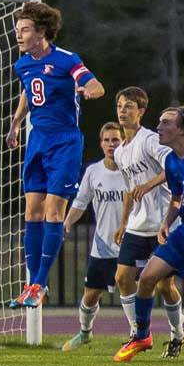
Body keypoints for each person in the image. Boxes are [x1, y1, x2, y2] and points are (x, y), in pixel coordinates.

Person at [5, 2, 104, 309]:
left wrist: (90, 90)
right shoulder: (23, 64)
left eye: (24, 30)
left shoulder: (66, 60)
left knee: (52, 211)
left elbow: (93, 84)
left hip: (64, 142)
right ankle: (31, 284)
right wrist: (15, 124)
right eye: (18, 30)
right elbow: (27, 91)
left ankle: (40, 284)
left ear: (42, 32)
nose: (18, 35)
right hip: (37, 140)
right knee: (31, 211)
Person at [114, 105, 184, 363]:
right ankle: (142, 335)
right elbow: (177, 197)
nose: (159, 127)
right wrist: (167, 221)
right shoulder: (171, 160)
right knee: (146, 278)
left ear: (183, 129)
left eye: (165, 123)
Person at [112, 87, 184, 357]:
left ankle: (178, 334)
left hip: (161, 223)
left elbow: (173, 166)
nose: (123, 111)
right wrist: (122, 223)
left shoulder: (149, 140)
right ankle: (138, 332)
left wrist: (150, 183)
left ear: (141, 111)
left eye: (129, 106)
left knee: (164, 285)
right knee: (122, 277)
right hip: (136, 224)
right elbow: (130, 189)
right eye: (120, 106)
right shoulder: (120, 151)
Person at [61, 122, 125, 351]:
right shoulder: (93, 171)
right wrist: (67, 222)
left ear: (123, 141)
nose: (111, 144)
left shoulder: (132, 170)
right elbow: (81, 202)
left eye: (115, 140)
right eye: (107, 140)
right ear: (100, 143)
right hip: (103, 246)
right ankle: (85, 333)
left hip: (131, 245)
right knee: (90, 296)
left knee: (138, 291)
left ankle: (138, 336)